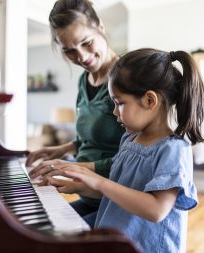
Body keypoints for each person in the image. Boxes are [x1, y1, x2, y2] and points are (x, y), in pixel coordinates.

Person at [46, 48, 204, 253]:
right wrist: (78, 187)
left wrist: (98, 181)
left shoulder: (173, 149)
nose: (114, 112)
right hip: (117, 240)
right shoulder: (130, 139)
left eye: (119, 103)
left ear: (150, 100)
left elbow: (156, 210)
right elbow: (120, 191)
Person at [26, 0, 125, 227]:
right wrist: (62, 149)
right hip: (89, 198)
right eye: (69, 50)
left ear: (100, 27)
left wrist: (70, 167)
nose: (80, 56)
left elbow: (137, 156)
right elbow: (92, 138)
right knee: (41, 229)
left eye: (86, 43)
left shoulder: (125, 80)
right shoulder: (84, 80)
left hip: (115, 200)